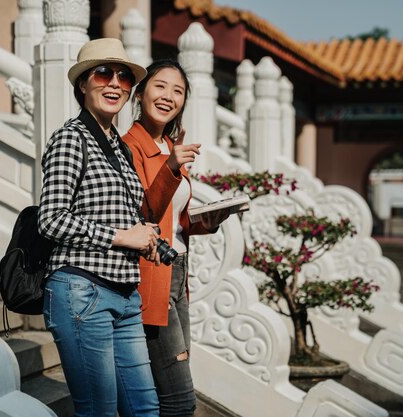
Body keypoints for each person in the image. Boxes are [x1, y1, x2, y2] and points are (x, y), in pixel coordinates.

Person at [38, 38, 161, 417]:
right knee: (99, 411)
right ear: (82, 84)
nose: (115, 84)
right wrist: (123, 236)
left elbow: (108, 211)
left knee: (145, 409)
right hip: (82, 291)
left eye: (124, 78)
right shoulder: (71, 139)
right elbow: (50, 219)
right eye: (103, 73)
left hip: (125, 295)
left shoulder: (118, 147)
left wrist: (144, 235)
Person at [123, 59, 229, 417]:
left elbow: (173, 222)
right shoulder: (129, 147)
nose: (168, 96)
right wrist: (170, 169)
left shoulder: (171, 145)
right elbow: (140, 214)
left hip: (178, 274)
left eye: (178, 90)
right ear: (140, 93)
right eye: (160, 86)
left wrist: (207, 221)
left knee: (170, 386)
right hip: (151, 276)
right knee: (179, 398)